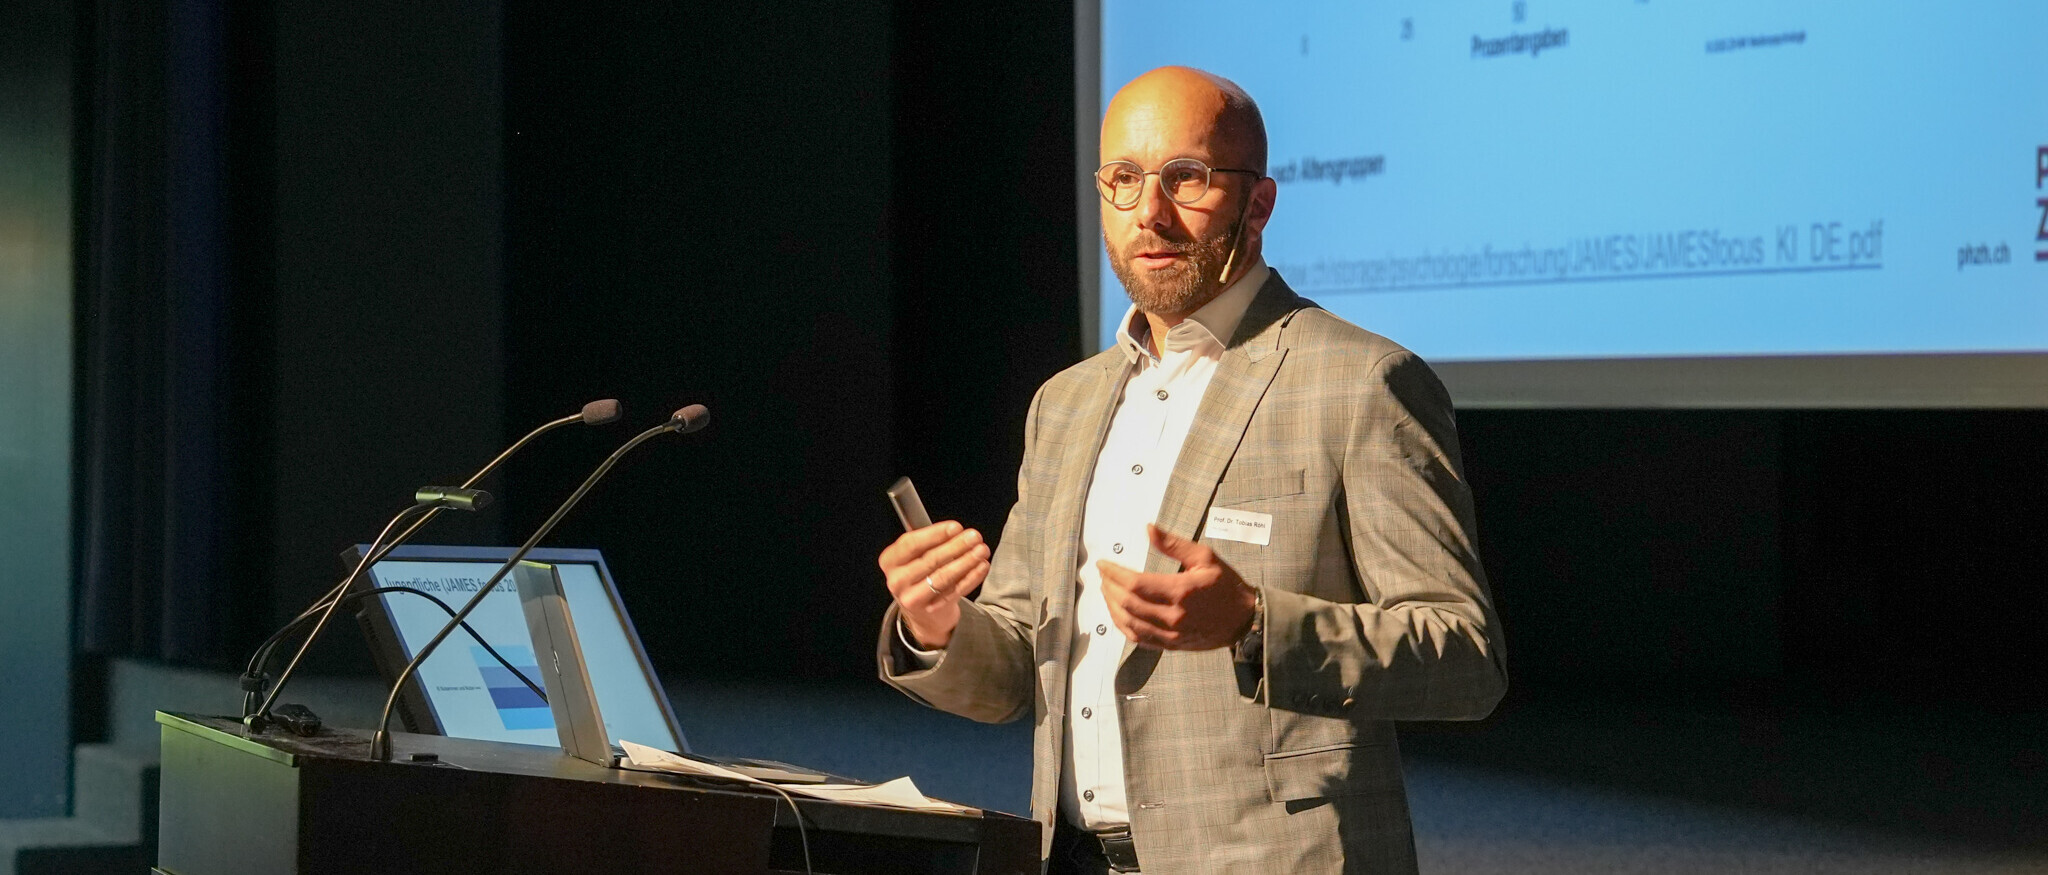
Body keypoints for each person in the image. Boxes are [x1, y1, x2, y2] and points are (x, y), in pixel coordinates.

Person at [875, 66, 1506, 874]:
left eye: (1186, 177)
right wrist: (939, 624)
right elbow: (1012, 676)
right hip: (1068, 855)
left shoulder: (1362, 382)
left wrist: (1252, 624)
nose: (1150, 211)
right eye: (1123, 178)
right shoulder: (1064, 403)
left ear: (1259, 203)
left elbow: (1465, 658)